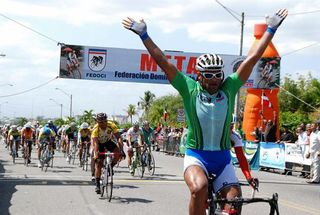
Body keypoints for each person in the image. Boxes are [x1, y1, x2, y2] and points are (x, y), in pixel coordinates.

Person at [123, 8, 287, 215]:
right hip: (196, 157)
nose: (214, 80)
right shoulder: (189, 88)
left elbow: (252, 59)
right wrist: (144, 36)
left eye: (217, 75)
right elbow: (163, 62)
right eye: (208, 75)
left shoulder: (229, 87)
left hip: (222, 159)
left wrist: (271, 29)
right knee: (199, 188)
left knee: (235, 203)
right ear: (199, 76)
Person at [92, 113, 125, 194]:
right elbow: (95, 144)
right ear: (97, 122)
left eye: (104, 122)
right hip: (99, 144)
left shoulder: (112, 125)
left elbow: (119, 138)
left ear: (107, 121)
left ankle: (110, 167)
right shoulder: (95, 129)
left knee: (117, 153)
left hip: (108, 142)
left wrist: (121, 150)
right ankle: (97, 184)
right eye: (100, 122)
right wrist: (96, 154)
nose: (103, 124)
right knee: (98, 163)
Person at [230, 122, 258, 189]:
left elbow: (241, 158)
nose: (230, 130)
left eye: (231, 127)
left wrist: (249, 178)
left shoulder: (235, 136)